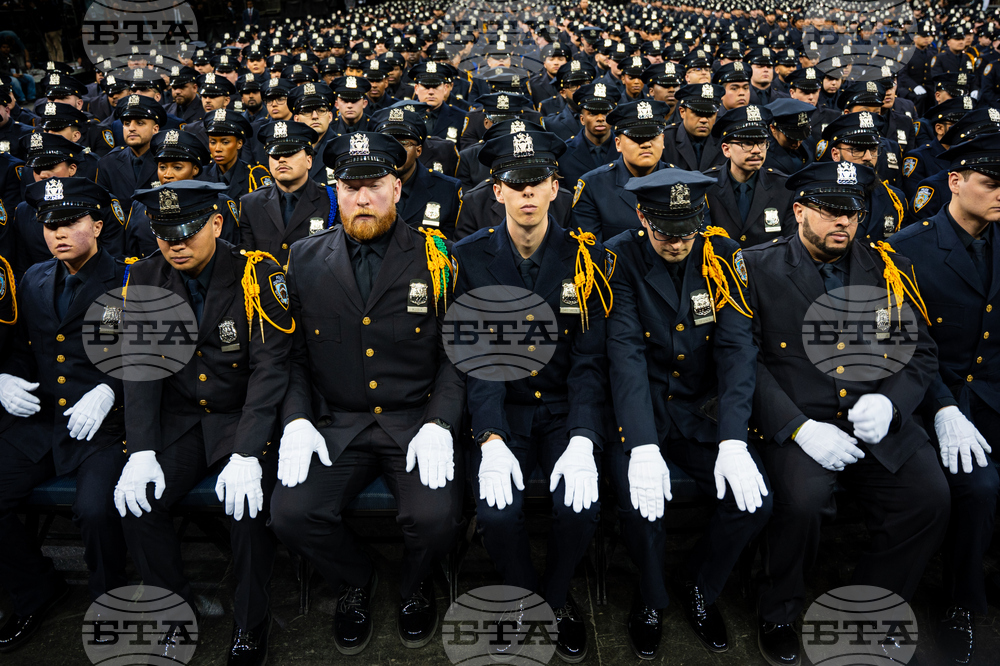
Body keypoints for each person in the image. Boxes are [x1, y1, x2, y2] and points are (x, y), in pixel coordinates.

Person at [744, 161, 950, 666]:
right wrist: (795, 426)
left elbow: (919, 351)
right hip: (803, 421)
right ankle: (779, 609)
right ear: (798, 211)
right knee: (802, 503)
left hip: (874, 417)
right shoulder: (754, 266)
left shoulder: (886, 266)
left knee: (929, 497)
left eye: (853, 213)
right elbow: (744, 360)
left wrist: (893, 402)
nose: (843, 222)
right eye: (830, 211)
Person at [269, 132, 465, 655]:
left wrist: (440, 422)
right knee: (290, 514)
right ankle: (356, 580)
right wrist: (296, 420)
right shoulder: (304, 259)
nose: (361, 198)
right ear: (334, 191)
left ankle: (414, 583)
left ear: (396, 189)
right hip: (340, 423)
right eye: (349, 187)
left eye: (374, 186)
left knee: (436, 518)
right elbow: (294, 358)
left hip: (412, 420)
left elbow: (455, 353)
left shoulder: (437, 257)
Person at [114, 180, 293, 666]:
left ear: (216, 223)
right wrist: (143, 449)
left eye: (187, 231)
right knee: (138, 500)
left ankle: (251, 622)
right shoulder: (146, 278)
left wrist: (250, 450)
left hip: (239, 416)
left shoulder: (256, 275)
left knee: (247, 506)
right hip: (180, 420)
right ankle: (173, 608)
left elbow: (270, 368)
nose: (175, 243)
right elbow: (142, 368)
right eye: (164, 233)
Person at [453, 129, 611, 663]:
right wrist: (490, 436)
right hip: (505, 406)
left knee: (580, 505)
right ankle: (523, 598)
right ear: (496, 191)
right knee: (496, 514)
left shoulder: (584, 258)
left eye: (536, 183)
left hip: (565, 409)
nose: (526, 194)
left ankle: (557, 594)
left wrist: (586, 437)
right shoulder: (468, 258)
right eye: (514, 184)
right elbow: (474, 357)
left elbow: (589, 359)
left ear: (555, 188)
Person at [605, 168, 770, 660]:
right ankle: (651, 598)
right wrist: (642, 445)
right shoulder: (619, 257)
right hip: (642, 409)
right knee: (641, 504)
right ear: (641, 217)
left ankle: (699, 583)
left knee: (752, 503)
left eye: (686, 231)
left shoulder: (722, 256)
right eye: (665, 232)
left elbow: (739, 351)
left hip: (702, 409)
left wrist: (735, 440)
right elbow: (626, 353)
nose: (677, 243)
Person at [0, 177, 127, 653]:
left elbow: (157, 356)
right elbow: (21, 350)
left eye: (70, 221)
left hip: (101, 426)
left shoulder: (131, 280)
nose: (58, 232)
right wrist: (6, 378)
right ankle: (37, 589)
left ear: (96, 224)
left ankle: (109, 602)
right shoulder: (32, 278)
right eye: (50, 223)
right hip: (41, 422)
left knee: (95, 510)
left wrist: (110, 389)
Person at [890, 134, 1000, 665]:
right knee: (978, 487)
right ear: (955, 182)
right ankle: (961, 603)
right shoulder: (908, 248)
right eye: (991, 183)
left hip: (996, 393)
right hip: (936, 397)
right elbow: (900, 345)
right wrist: (941, 405)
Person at [10, 133, 125, 275]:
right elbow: (23, 267)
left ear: (72, 169)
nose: (43, 175)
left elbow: (113, 259)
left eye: (51, 166)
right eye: (37, 169)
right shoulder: (23, 211)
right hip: (43, 288)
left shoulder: (101, 203)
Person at [126, 129, 240, 258]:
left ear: (195, 169)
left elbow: (230, 252)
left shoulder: (219, 203)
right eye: (162, 167)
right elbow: (132, 254)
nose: (167, 175)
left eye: (177, 167)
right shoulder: (141, 206)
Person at [573, 99, 672, 242]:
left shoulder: (685, 184)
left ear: (663, 140)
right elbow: (590, 251)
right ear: (618, 144)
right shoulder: (593, 186)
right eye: (636, 137)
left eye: (652, 137)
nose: (645, 144)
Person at [239, 120, 332, 267]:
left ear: (309, 160)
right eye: (275, 154)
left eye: (290, 153)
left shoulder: (331, 201)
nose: (281, 159)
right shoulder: (250, 204)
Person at [703, 104, 795, 247]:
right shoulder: (706, 186)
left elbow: (791, 244)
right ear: (726, 149)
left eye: (761, 143)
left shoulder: (784, 187)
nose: (756, 150)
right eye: (747, 143)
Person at [371, 107, 461, 237]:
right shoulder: (361, 188)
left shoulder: (447, 190)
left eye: (403, 144)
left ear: (418, 151)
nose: (395, 151)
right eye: (387, 144)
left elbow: (450, 245)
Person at [821, 112, 909, 242]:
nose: (868, 157)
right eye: (857, 149)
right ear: (835, 154)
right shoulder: (819, 198)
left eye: (873, 149)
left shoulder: (895, 199)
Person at [96, 95, 165, 211]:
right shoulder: (108, 163)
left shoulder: (168, 161)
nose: (131, 128)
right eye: (127, 123)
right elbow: (104, 209)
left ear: (155, 129)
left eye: (140, 123)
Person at [200, 108, 271, 201]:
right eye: (213, 142)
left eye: (225, 142)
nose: (217, 149)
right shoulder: (200, 176)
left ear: (239, 143)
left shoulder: (255, 177)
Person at [558, 83, 618, 189]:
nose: (600, 118)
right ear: (582, 119)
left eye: (606, 113)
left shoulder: (627, 150)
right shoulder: (563, 153)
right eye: (593, 113)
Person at [661, 84, 726, 172]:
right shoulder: (665, 139)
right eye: (698, 114)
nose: (704, 120)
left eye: (710, 114)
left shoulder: (724, 140)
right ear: (682, 112)